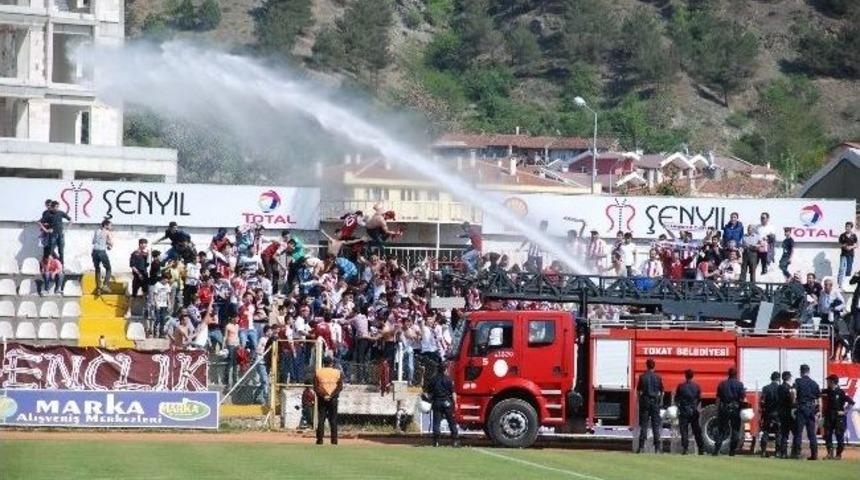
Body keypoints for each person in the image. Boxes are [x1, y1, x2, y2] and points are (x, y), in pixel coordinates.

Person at [424, 361, 459, 447]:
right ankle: (455, 441)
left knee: (436, 422)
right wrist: (456, 403)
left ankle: (436, 441)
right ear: (445, 369)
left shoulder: (433, 379)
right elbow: (453, 392)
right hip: (447, 402)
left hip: (437, 402)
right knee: (451, 422)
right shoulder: (449, 379)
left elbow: (428, 393)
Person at [713, 367, 746, 456]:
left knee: (721, 430)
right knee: (735, 430)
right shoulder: (740, 385)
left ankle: (716, 450)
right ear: (736, 374)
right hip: (735, 409)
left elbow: (718, 399)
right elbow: (743, 398)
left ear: (728, 374)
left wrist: (717, 410)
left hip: (724, 409)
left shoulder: (722, 384)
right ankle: (732, 451)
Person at [822, 374, 855, 460]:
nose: (827, 382)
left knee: (839, 435)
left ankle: (838, 454)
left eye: (828, 381)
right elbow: (817, 394)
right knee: (828, 435)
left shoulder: (841, 392)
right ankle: (829, 453)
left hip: (838, 417)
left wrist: (844, 411)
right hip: (829, 416)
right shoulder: (826, 391)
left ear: (832, 382)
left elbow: (851, 402)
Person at [792, 364, 821, 460]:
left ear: (801, 372)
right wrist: (819, 410)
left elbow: (793, 392)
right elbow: (819, 399)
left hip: (801, 407)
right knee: (811, 433)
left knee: (798, 432)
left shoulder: (798, 381)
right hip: (811, 408)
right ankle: (814, 454)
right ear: (808, 372)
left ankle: (797, 453)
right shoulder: (814, 383)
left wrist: (794, 402)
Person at [636, 358, 663, 454]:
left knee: (644, 425)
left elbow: (638, 391)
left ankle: (641, 447)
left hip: (645, 402)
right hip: (655, 402)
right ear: (654, 366)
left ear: (646, 365)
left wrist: (640, 400)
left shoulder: (642, 377)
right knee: (655, 425)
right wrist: (659, 401)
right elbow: (661, 391)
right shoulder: (658, 377)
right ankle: (657, 448)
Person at [313, 356, 343, 445]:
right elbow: (340, 387)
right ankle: (334, 441)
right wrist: (331, 395)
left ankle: (320, 440)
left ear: (323, 363)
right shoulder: (338, 372)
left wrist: (324, 395)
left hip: (322, 398)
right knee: (333, 420)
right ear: (331, 363)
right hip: (333, 399)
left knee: (321, 419)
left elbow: (315, 387)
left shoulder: (318, 372)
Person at [674, 368, 704, 455]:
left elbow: (677, 399)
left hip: (684, 410)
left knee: (684, 430)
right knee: (696, 430)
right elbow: (699, 399)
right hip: (693, 411)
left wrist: (680, 406)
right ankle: (701, 448)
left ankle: (685, 448)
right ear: (692, 376)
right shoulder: (697, 386)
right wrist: (694, 406)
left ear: (685, 376)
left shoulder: (681, 386)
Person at [759, 371, 782, 458]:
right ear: (778, 379)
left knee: (765, 432)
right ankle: (777, 452)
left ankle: (763, 451)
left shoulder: (766, 388)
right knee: (778, 433)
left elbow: (762, 402)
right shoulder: (780, 388)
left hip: (768, 413)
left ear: (771, 378)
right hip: (778, 414)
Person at [91, 219, 114, 294]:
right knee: (109, 268)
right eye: (110, 225)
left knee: (97, 269)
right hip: (102, 252)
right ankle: (105, 285)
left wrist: (102, 240)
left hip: (94, 251)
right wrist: (108, 244)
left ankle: (98, 288)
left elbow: (93, 241)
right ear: (106, 225)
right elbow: (111, 244)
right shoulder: (108, 232)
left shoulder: (96, 231)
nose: (111, 227)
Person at [776, 371, 795, 459]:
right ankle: (794, 452)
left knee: (784, 434)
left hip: (781, 412)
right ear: (789, 378)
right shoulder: (789, 388)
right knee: (795, 433)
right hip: (789, 413)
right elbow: (792, 401)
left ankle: (783, 453)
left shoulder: (779, 388)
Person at [837, 222, 857, 287]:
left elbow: (856, 244)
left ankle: (847, 283)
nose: (847, 228)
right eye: (846, 226)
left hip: (850, 254)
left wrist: (851, 247)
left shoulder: (854, 235)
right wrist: (844, 246)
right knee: (841, 269)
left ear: (851, 228)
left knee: (848, 269)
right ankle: (839, 284)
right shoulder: (842, 235)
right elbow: (839, 244)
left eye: (848, 227)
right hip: (843, 254)